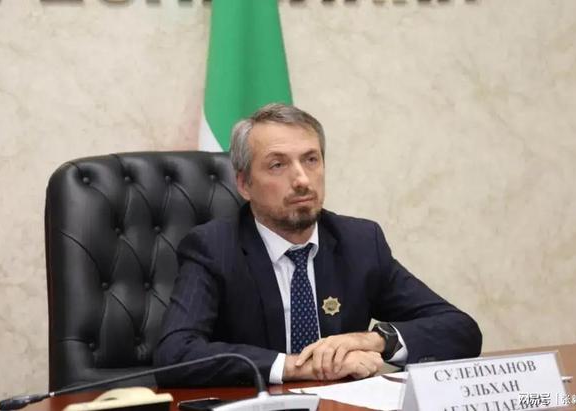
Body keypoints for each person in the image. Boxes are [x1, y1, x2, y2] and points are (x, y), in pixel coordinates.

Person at [154, 103, 481, 386]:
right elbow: (175, 353)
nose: (302, 180)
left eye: (311, 160)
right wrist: (299, 367)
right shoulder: (214, 247)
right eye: (278, 164)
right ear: (244, 184)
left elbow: (461, 330)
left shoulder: (360, 242)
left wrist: (373, 340)